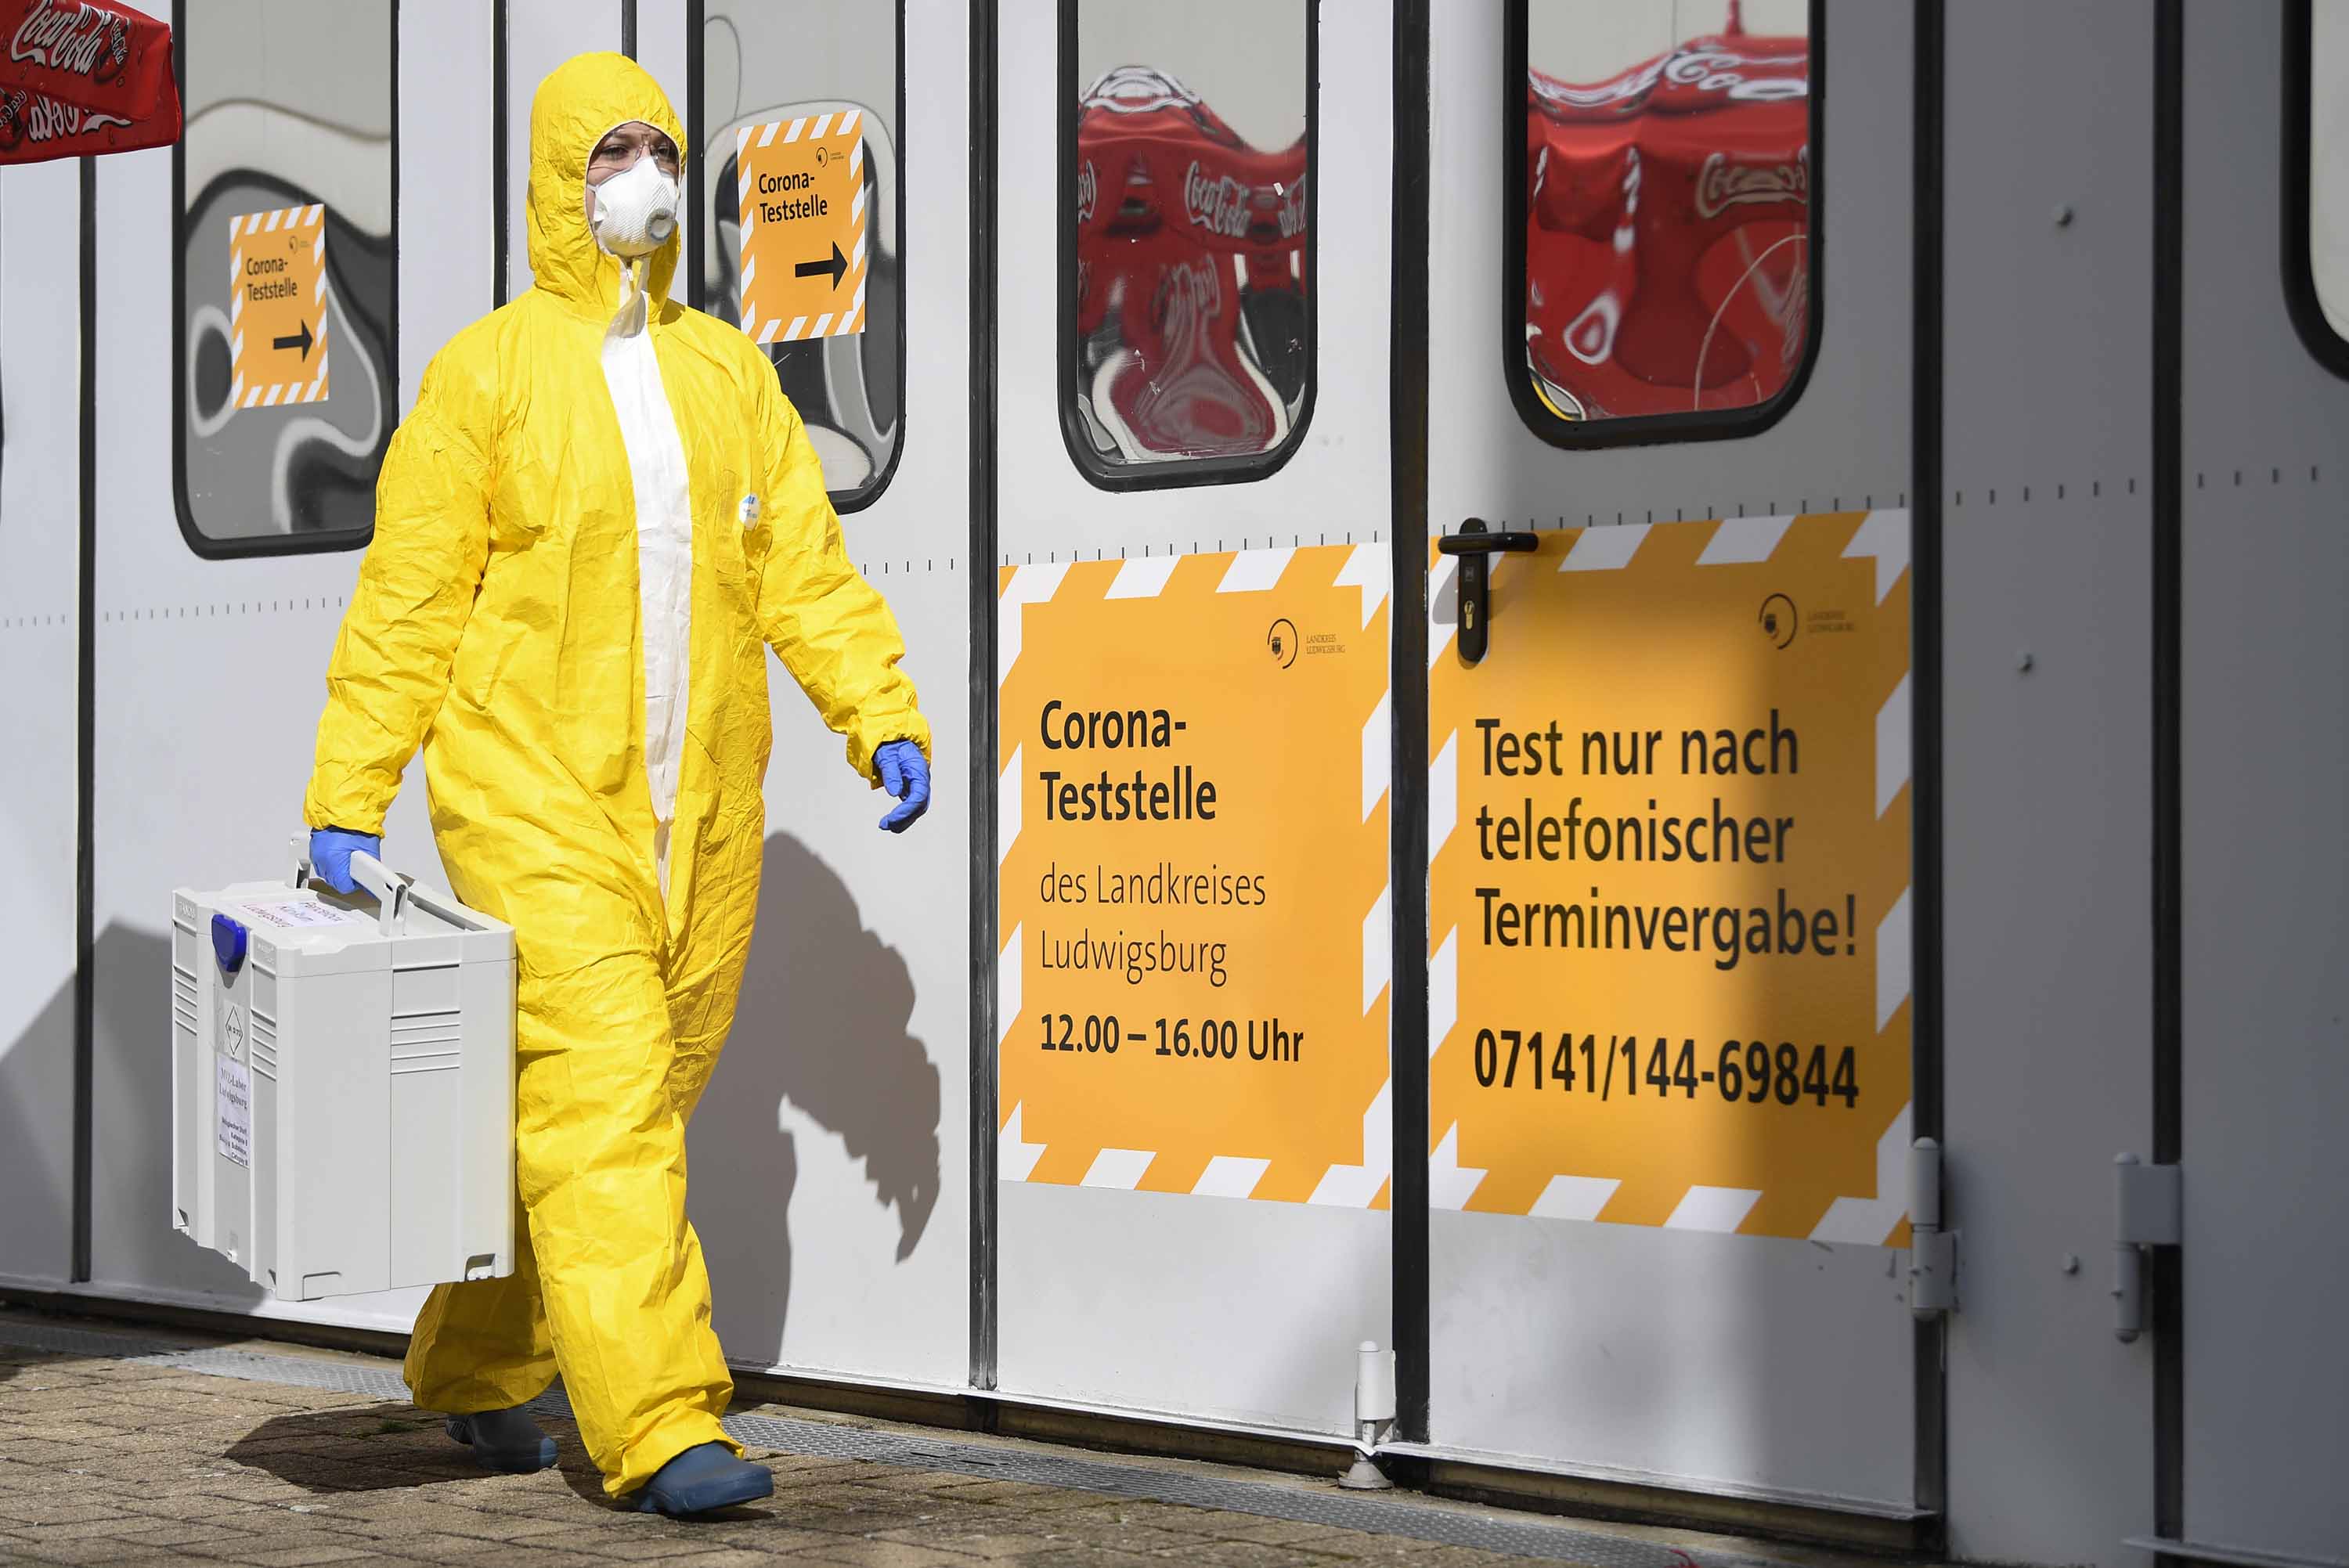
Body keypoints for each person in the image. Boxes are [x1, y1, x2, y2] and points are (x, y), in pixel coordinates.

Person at [299, 52, 932, 1516]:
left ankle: (473, 1367)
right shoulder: (488, 378)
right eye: (610, 151)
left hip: (700, 816)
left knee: (633, 1092)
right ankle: (657, 1422)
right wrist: (350, 794)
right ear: (557, 178)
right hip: (535, 799)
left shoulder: (728, 379)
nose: (639, 174)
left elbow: (805, 572)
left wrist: (876, 708)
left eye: (657, 147)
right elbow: (406, 604)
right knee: (607, 1098)